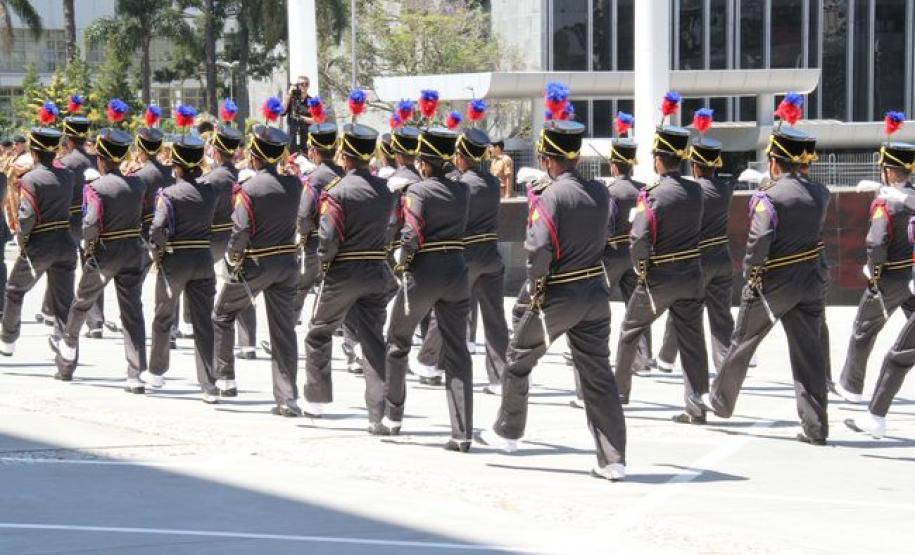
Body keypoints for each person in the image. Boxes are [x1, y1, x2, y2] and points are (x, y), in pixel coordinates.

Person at [479, 118, 627, 481]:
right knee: (597, 376)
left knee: (516, 358)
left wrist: (535, 286)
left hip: (558, 293)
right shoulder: (600, 192)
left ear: (546, 159)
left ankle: (508, 432)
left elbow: (540, 248)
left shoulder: (550, 196)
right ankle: (613, 459)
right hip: (594, 293)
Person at [699, 125, 831, 445]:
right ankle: (816, 427)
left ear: (774, 160)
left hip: (773, 283)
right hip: (811, 281)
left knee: (742, 342)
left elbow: (759, 241)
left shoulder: (767, 197)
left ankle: (721, 401)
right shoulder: (820, 193)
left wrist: (752, 277)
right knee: (809, 355)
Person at [384, 126, 474, 452]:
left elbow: (410, 235)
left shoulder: (418, 192)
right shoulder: (462, 191)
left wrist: (402, 264)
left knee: (398, 341)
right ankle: (462, 432)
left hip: (423, 272)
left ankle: (392, 416)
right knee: (458, 352)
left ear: (423, 162)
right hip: (456, 270)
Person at [613, 122, 710, 424]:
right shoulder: (696, 191)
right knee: (693, 342)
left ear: (658, 159)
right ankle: (696, 406)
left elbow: (639, 238)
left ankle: (618, 394)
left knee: (630, 331)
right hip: (692, 273)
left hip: (660, 276)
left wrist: (642, 268)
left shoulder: (652, 194)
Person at [302, 123, 394, 432]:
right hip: (376, 269)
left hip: (343, 272)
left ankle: (316, 400)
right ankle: (378, 412)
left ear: (344, 156)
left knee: (318, 332)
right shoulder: (384, 189)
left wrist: (322, 264)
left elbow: (328, 239)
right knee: (372, 341)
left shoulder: (336, 192)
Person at [212, 121, 301, 416]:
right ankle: (287, 398)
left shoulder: (249, 189)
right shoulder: (293, 185)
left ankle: (225, 379)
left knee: (222, 314)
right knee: (284, 331)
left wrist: (231, 261)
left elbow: (240, 232)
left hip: (256, 263)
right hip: (287, 263)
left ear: (255, 155)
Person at [56, 120, 148, 392]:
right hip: (132, 251)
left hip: (104, 253)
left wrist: (89, 247)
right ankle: (135, 373)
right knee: (132, 312)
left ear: (102, 159)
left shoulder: (95, 188)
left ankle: (67, 359)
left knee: (81, 304)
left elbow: (90, 224)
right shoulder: (139, 184)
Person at [414, 128, 508, 395]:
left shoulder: (462, 183)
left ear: (461, 156)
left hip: (467, 253)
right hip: (491, 253)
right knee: (495, 318)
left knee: (445, 308)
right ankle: (500, 376)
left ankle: (428, 360)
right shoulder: (490, 181)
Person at [140, 134, 219, 403]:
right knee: (203, 323)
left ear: (178, 167)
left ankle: (157, 372)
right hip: (203, 259)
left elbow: (157, 230)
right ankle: (209, 384)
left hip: (175, 261)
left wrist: (159, 252)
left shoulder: (169, 194)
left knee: (163, 318)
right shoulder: (210, 190)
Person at [845, 140, 915, 438]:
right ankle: (874, 415)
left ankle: (852, 388)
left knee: (877, 339)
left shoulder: (888, 201)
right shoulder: (905, 197)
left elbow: (876, 243)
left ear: (887, 171)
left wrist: (872, 272)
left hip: (890, 278)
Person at [656, 135, 735, 376]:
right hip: (722, 255)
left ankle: (667, 358)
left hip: (699, 257)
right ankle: (725, 364)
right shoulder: (725, 188)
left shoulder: (696, 190)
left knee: (682, 308)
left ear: (695, 165)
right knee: (721, 315)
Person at [0, 111, 76, 359]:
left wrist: (23, 242)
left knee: (14, 290)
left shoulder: (31, 178)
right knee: (64, 302)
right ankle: (67, 358)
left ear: (33, 152)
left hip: (39, 243)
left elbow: (26, 217)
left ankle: (8, 340)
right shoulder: (68, 175)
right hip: (65, 241)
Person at [56, 110, 106, 339]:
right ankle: (95, 320)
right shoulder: (97, 159)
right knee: (92, 268)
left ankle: (61, 316)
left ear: (68, 138)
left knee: (63, 270)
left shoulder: (63, 162)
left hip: (68, 220)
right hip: (93, 219)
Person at [283, 75, 314, 154]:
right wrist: (289, 94)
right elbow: (282, 111)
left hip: (306, 137)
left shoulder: (312, 101)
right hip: (292, 136)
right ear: (297, 85)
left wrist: (301, 118)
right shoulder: (292, 99)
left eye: (306, 84)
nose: (304, 86)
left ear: (308, 86)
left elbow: (316, 120)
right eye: (301, 84)